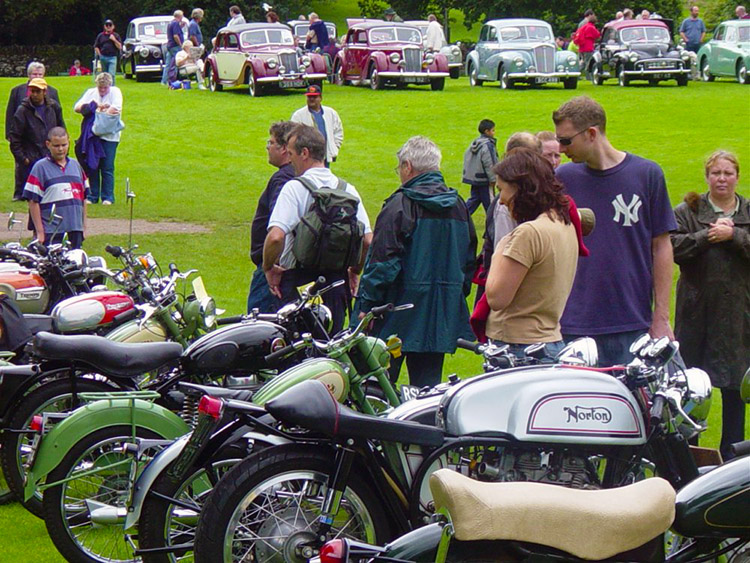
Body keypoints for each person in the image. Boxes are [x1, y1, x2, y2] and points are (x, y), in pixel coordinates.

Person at [553, 96, 677, 367]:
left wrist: (661, 317)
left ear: (591, 133)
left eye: (565, 141)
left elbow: (662, 246)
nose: (561, 149)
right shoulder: (563, 179)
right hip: (574, 323)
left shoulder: (647, 174)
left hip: (632, 322)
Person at [356, 136, 476, 388]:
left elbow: (382, 264)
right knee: (427, 390)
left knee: (377, 388)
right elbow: (468, 262)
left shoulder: (400, 205)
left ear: (408, 166)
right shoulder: (459, 206)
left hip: (395, 313)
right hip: (440, 313)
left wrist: (366, 306)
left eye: (400, 167)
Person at [671, 150, 749, 460]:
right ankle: (687, 463)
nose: (721, 179)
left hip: (739, 319)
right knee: (692, 394)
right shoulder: (687, 211)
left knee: (735, 396)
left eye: (727, 173)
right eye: (716, 173)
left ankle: (732, 467)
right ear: (707, 177)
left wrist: (735, 236)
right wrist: (707, 235)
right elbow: (673, 247)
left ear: (737, 177)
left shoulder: (747, 212)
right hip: (696, 316)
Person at [262, 124, 372, 333]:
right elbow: (367, 240)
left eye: (292, 153)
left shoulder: (294, 188)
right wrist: (355, 271)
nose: (290, 159)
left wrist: (269, 268)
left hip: (298, 284)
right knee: (331, 353)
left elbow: (276, 237)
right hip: (336, 285)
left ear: (305, 153)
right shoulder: (347, 189)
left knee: (297, 355)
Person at [484, 148, 579, 360]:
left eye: (502, 190)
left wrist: (501, 248)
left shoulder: (528, 234)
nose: (500, 200)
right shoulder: (563, 223)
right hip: (550, 340)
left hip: (520, 347)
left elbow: (497, 297)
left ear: (520, 188)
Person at [248, 121, 296, 313]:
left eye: (271, 143)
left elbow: (279, 227)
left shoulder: (282, 179)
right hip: (288, 268)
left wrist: (271, 264)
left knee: (259, 325)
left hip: (273, 270)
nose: (267, 148)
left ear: (284, 148)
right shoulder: (295, 176)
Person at [23, 127, 88, 249]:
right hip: (51, 231)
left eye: (64, 145)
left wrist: (83, 227)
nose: (61, 149)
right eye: (56, 146)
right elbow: (33, 201)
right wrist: (40, 232)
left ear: (68, 142)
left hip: (74, 229)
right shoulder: (40, 168)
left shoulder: (76, 166)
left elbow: (83, 198)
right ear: (48, 145)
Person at [6, 62, 60, 200]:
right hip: (27, 141)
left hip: (46, 143)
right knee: (23, 168)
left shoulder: (53, 103)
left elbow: (60, 124)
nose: (35, 94)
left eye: (40, 74)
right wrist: (22, 156)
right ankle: (20, 193)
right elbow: (10, 115)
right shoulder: (20, 100)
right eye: (33, 91)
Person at [73, 72, 123, 205]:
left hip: (109, 137)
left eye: (105, 88)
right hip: (93, 136)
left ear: (109, 86)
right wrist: (94, 107)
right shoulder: (90, 92)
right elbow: (77, 107)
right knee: (92, 165)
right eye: (100, 88)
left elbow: (115, 109)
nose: (102, 91)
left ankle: (107, 197)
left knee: (107, 166)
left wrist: (97, 109)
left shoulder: (115, 92)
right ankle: (92, 196)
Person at [290, 85, 343, 167]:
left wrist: (334, 147)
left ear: (320, 98)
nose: (311, 99)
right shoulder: (298, 115)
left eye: (314, 97)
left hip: (325, 155)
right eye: (309, 97)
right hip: (306, 157)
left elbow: (338, 131)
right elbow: (293, 135)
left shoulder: (331, 113)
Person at [462, 119, 498, 214]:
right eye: (493, 130)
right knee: (490, 204)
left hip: (475, 178)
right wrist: (493, 179)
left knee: (474, 200)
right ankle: (492, 223)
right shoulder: (488, 145)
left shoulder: (475, 143)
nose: (494, 133)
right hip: (484, 180)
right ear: (487, 131)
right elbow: (489, 163)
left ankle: (461, 215)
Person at [94, 19, 122, 84]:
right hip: (103, 57)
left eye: (110, 25)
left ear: (113, 26)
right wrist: (100, 55)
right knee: (104, 75)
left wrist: (114, 40)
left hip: (112, 58)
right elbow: (96, 46)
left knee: (111, 75)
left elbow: (120, 47)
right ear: (104, 26)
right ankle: (105, 88)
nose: (108, 26)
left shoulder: (116, 35)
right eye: (107, 25)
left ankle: (112, 89)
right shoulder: (100, 36)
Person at [575, 12, 600, 78]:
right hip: (588, 48)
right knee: (588, 63)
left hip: (581, 47)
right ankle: (588, 77)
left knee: (583, 62)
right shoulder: (591, 27)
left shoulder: (583, 27)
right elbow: (597, 35)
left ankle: (575, 74)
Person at [162, 10, 184, 85]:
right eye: (182, 16)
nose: (182, 17)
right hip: (175, 46)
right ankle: (172, 79)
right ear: (179, 16)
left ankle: (164, 81)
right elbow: (175, 36)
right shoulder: (176, 23)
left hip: (170, 45)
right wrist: (180, 44)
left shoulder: (171, 23)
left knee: (168, 64)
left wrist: (181, 27)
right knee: (175, 63)